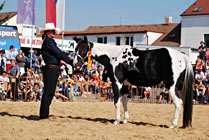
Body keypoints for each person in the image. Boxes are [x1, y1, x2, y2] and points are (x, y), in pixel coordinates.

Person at [39, 23, 73, 120]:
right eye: (52, 30)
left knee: (49, 91)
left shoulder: (48, 41)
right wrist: (69, 61)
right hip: (51, 69)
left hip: (52, 68)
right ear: (48, 31)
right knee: (49, 92)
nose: (54, 32)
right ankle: (44, 115)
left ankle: (44, 114)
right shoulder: (49, 41)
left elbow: (56, 54)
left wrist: (61, 60)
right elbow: (58, 52)